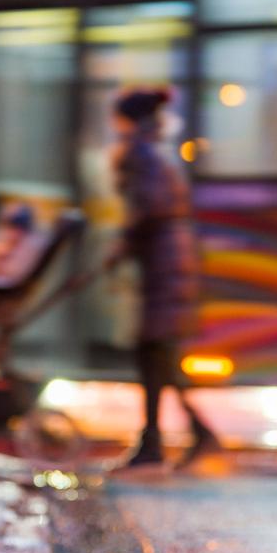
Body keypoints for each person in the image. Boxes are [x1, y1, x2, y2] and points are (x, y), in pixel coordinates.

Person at [107, 86, 220, 469]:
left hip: (163, 263)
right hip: (171, 259)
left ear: (126, 119)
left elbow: (149, 207)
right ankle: (181, 436)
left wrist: (121, 244)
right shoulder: (156, 150)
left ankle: (157, 444)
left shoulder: (139, 152)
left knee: (153, 353)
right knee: (158, 355)